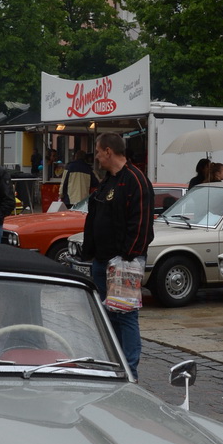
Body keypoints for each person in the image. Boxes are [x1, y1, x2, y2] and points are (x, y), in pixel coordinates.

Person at [79, 131, 155, 380]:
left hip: (124, 262)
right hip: (102, 261)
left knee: (125, 315)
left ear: (108, 151)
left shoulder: (136, 180)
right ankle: (114, 363)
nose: (96, 157)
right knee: (107, 315)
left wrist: (127, 257)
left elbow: (141, 224)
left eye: (98, 152)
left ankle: (129, 370)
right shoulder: (108, 181)